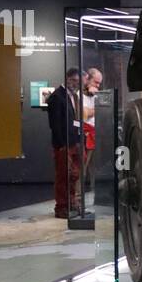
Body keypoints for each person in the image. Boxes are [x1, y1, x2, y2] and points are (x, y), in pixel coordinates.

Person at [47, 68, 82, 218]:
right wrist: (62, 146)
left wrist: (78, 140)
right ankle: (61, 207)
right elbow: (54, 124)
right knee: (63, 176)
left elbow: (74, 121)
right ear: (67, 78)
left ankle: (71, 202)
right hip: (63, 144)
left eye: (77, 81)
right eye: (73, 80)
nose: (76, 84)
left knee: (73, 175)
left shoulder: (72, 96)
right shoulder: (57, 96)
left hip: (73, 142)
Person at [81, 66, 103, 189]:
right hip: (86, 135)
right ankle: (78, 196)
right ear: (87, 79)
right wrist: (98, 109)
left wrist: (94, 109)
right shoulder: (80, 95)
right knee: (82, 166)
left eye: (99, 83)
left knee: (95, 166)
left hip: (96, 134)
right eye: (96, 82)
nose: (98, 86)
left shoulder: (95, 96)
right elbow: (85, 113)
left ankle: (95, 192)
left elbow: (103, 111)